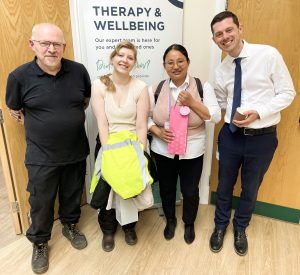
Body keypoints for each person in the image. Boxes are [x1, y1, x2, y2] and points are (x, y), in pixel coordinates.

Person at [6, 23, 91, 273]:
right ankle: (40, 242)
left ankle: (70, 225)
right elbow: (14, 108)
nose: (52, 49)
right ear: (33, 45)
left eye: (57, 44)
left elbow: (84, 100)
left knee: (72, 193)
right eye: (45, 43)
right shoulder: (19, 77)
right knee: (41, 202)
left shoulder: (78, 71)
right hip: (41, 155)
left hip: (75, 150)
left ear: (64, 47)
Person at [209, 11, 296, 256]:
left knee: (250, 187)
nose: (225, 37)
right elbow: (219, 103)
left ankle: (240, 228)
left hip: (262, 138)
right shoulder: (221, 70)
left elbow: (287, 93)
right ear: (215, 40)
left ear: (240, 29)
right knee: (224, 185)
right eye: (218, 34)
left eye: (228, 30)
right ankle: (220, 226)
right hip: (230, 135)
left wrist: (259, 112)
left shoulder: (268, 55)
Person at [148, 44, 221, 244]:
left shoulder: (201, 87)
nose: (176, 66)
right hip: (163, 149)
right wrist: (157, 131)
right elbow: (145, 118)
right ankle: (170, 221)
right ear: (164, 66)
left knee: (190, 190)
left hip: (193, 149)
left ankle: (189, 223)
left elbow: (215, 116)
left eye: (180, 61)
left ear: (188, 62)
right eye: (170, 62)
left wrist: (193, 102)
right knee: (167, 189)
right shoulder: (155, 89)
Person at [91, 41, 150, 252]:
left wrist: (140, 154)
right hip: (108, 144)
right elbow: (102, 123)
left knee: (130, 189)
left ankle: (129, 227)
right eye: (121, 55)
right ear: (113, 58)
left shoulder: (141, 88)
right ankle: (108, 230)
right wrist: (108, 154)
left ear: (134, 63)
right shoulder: (99, 85)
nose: (125, 60)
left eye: (130, 57)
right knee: (108, 191)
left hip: (133, 146)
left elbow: (142, 125)